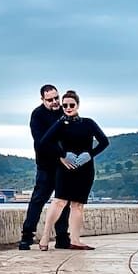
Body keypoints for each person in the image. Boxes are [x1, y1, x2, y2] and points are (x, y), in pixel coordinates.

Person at [37, 90, 109, 251]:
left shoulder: (88, 123)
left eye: (71, 105)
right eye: (65, 105)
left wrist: (90, 154)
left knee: (78, 205)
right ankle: (45, 235)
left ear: (78, 105)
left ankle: (75, 240)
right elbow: (44, 142)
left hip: (85, 169)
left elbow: (104, 142)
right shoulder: (60, 124)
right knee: (59, 201)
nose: (68, 108)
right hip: (66, 168)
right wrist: (62, 155)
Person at [18, 84, 70, 250]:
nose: (55, 102)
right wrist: (61, 154)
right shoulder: (37, 115)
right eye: (50, 100)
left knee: (63, 202)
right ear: (43, 99)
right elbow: (41, 142)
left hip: (65, 166)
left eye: (56, 98)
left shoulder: (65, 111)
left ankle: (62, 237)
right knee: (38, 200)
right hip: (46, 165)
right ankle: (27, 237)